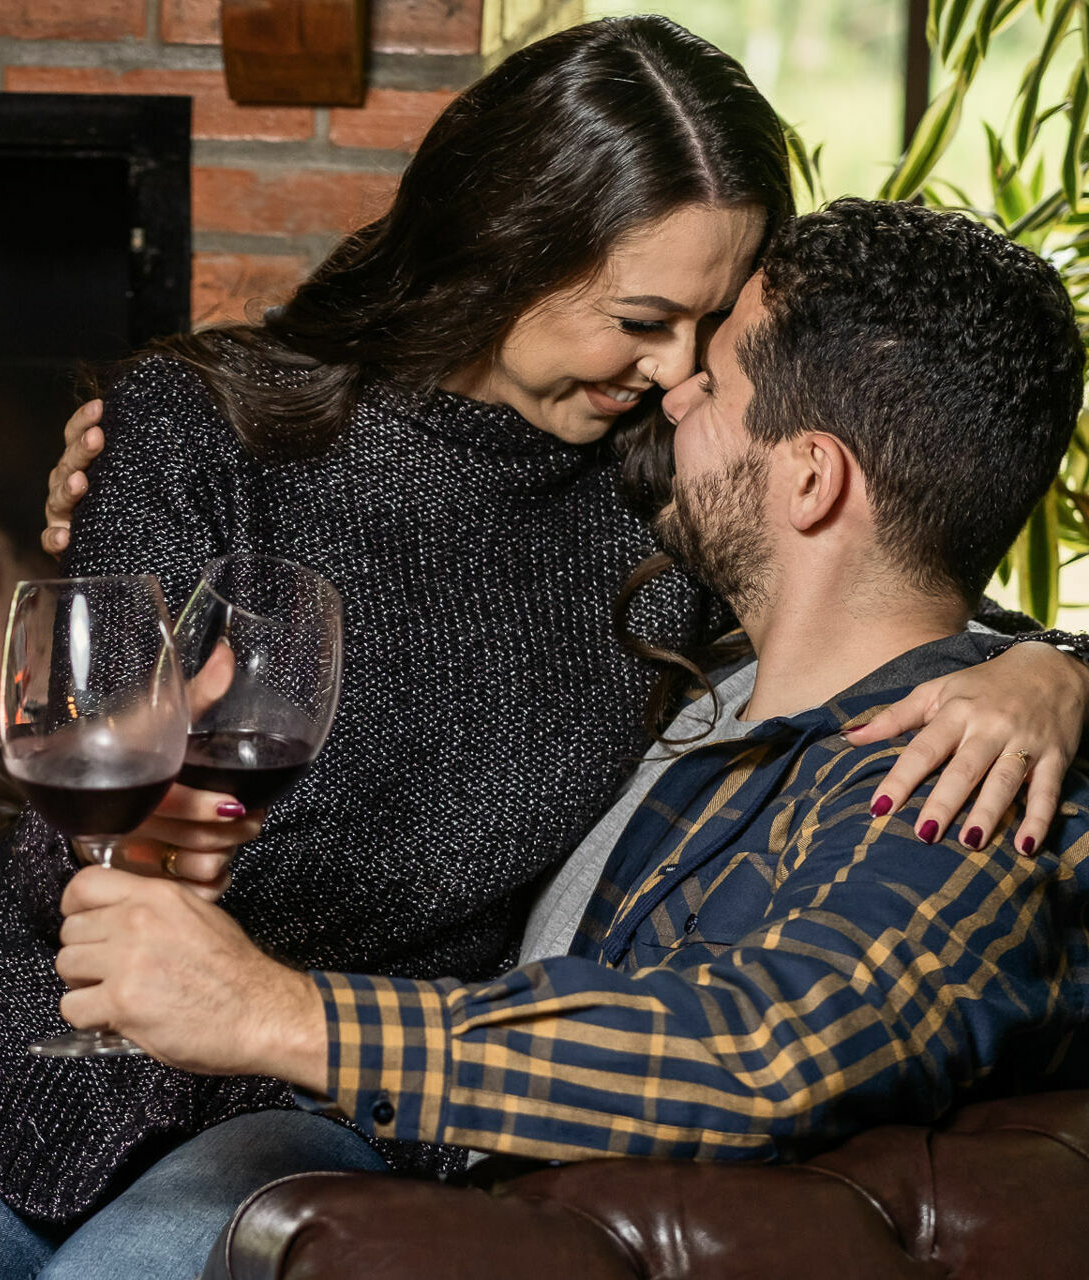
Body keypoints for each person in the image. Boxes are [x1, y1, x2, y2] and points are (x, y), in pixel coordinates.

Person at [0, 19, 1089, 1280]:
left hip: (318, 1095)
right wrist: (170, 817)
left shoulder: (661, 514)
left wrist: (1059, 674)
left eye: (708, 329)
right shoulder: (204, 424)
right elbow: (73, 845)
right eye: (642, 322)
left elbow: (887, 575)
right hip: (22, 1035)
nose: (678, 374)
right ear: (509, 245)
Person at [55, 198, 1089, 1163]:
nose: (672, 388)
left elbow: (772, 1046)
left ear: (811, 478)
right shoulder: (716, 667)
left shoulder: (957, 778)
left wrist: (272, 1012)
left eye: (716, 383)